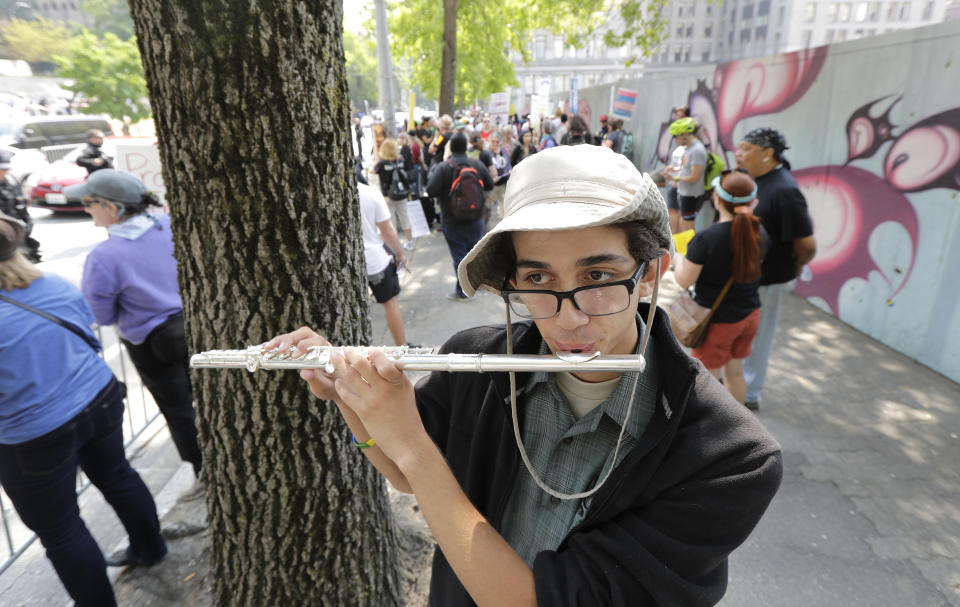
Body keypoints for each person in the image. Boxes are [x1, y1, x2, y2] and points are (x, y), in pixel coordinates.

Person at [265, 145, 781, 606]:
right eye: (538, 279)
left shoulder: (730, 458)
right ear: (512, 281)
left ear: (649, 274)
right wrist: (352, 400)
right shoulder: (477, 360)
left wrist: (415, 450)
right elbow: (403, 472)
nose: (569, 317)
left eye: (597, 277)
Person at [0, 212, 167, 607]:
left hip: (32, 434)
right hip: (97, 398)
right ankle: (152, 549)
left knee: (59, 527)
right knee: (117, 475)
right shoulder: (52, 284)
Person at [63, 170, 204, 481]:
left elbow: (102, 315)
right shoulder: (169, 225)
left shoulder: (104, 256)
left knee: (178, 409)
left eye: (89, 203)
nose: (86, 209)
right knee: (208, 397)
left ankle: (202, 470)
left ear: (112, 208)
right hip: (197, 326)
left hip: (151, 341)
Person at [735, 128, 817, 410]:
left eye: (745, 148)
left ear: (768, 153)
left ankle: (750, 393)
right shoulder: (758, 180)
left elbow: (806, 245)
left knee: (759, 333)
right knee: (745, 331)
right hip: (751, 275)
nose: (739, 153)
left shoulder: (785, 191)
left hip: (769, 278)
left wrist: (791, 268)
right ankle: (738, 381)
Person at [672, 171, 769, 405]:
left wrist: (678, 256)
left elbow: (684, 280)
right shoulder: (760, 234)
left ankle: (714, 431)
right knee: (735, 372)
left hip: (718, 322)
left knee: (707, 379)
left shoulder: (706, 239)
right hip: (749, 315)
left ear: (717, 199)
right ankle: (739, 424)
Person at [425, 132, 494, 302]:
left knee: (459, 255)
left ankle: (463, 291)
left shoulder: (444, 167)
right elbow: (490, 184)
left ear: (451, 147)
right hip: (476, 218)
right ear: (466, 147)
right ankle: (476, 285)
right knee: (473, 253)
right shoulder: (476, 164)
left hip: (451, 219)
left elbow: (430, 190)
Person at [358, 182, 412, 346]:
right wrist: (400, 254)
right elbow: (387, 230)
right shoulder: (370, 193)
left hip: (344, 263)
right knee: (390, 303)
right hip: (374, 261)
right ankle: (402, 347)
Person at [663, 117, 706, 233]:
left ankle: (688, 251)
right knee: (684, 225)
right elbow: (686, 168)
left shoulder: (697, 150)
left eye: (676, 136)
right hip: (685, 192)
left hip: (691, 195)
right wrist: (673, 168)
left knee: (687, 227)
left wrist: (674, 177)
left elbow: (695, 176)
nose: (675, 140)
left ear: (685, 134)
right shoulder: (689, 148)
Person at [373, 138, 415, 250]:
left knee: (391, 222)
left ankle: (395, 246)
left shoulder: (382, 163)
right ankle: (410, 242)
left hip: (388, 195)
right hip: (401, 194)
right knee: (405, 217)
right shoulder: (400, 160)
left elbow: (373, 171)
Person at [0, 150, 40, 262]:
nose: (4, 171)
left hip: (18, 235)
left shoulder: (10, 181)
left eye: (5, 168)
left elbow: (20, 206)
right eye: (1, 169)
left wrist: (27, 224)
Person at [488, 132, 511, 222]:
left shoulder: (503, 151)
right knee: (488, 204)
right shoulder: (487, 153)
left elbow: (508, 163)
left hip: (502, 183)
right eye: (493, 141)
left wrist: (509, 169)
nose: (495, 144)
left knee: (503, 204)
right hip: (492, 185)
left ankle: (502, 222)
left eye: (497, 142)